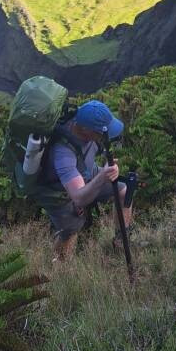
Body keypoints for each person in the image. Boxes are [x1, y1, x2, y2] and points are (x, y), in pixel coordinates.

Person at [41, 99, 131, 260]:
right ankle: (59, 267)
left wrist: (104, 171)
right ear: (85, 130)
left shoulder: (88, 129)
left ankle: (120, 242)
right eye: (102, 132)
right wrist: (102, 177)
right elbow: (79, 198)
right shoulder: (63, 153)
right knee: (70, 231)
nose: (106, 136)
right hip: (59, 189)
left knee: (124, 190)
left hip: (86, 171)